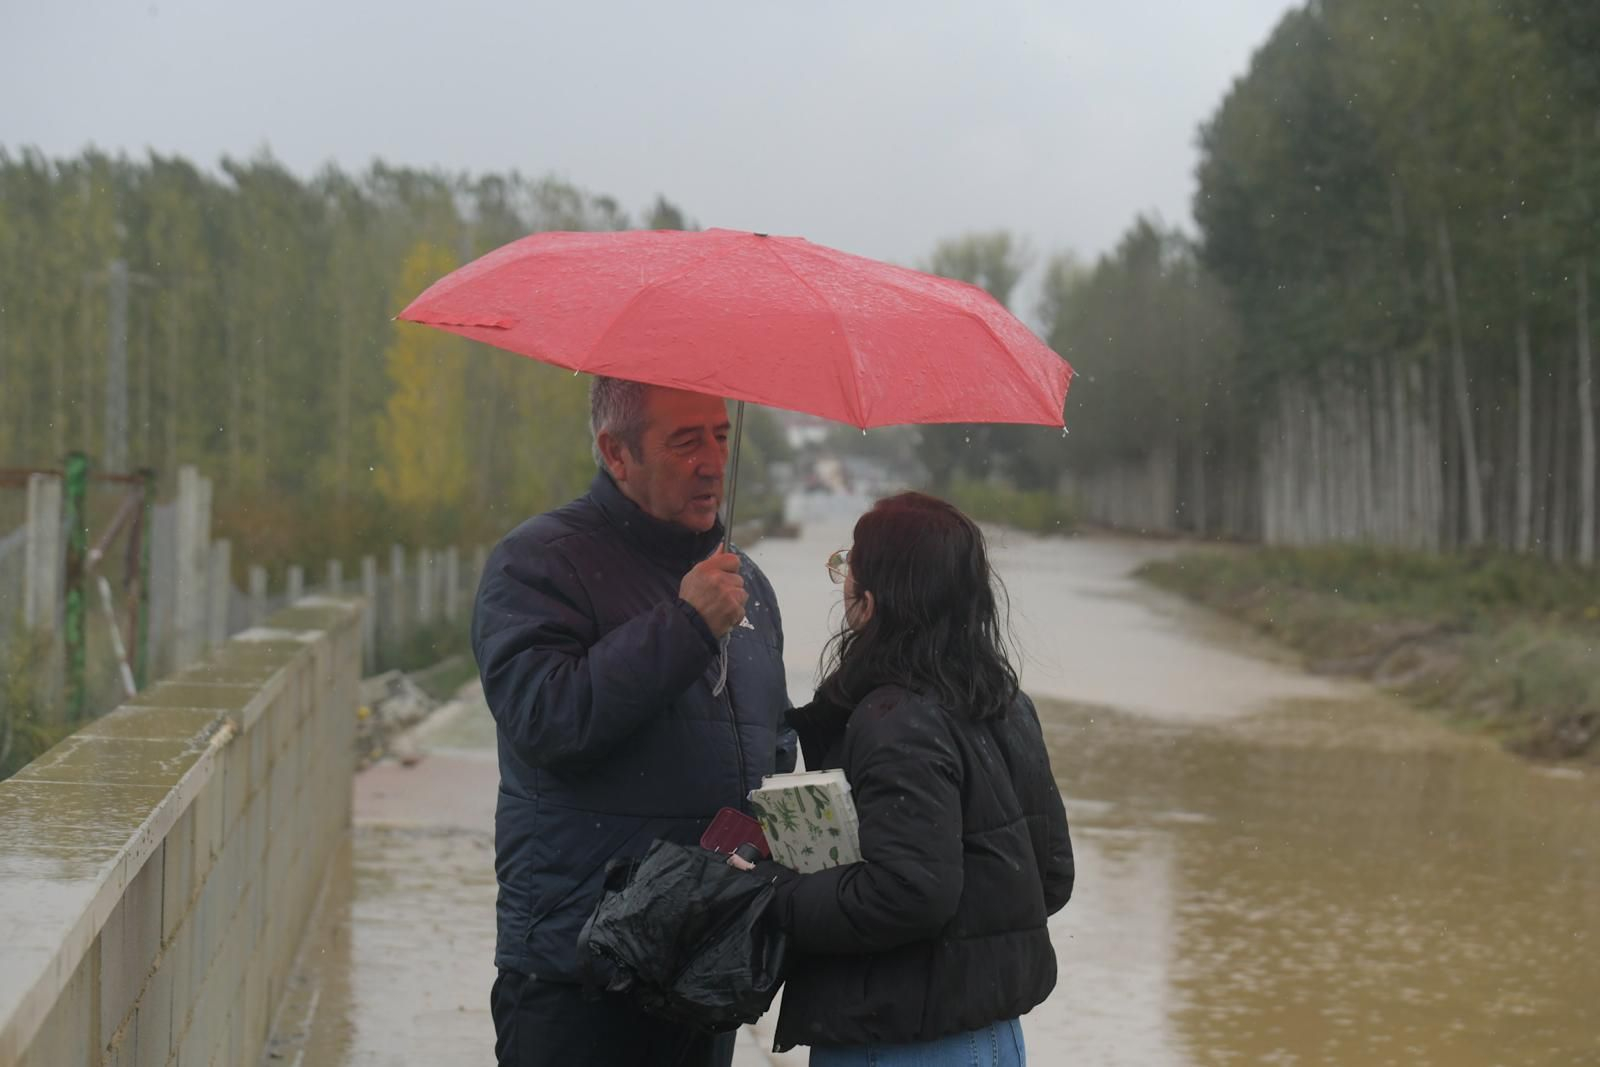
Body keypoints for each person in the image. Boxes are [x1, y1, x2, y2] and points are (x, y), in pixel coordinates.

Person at [473, 376, 795, 1067]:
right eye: (686, 442)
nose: (712, 461)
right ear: (615, 453)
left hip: (703, 974)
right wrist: (685, 625)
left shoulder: (750, 586)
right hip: (580, 979)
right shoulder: (537, 563)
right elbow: (547, 719)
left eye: (720, 435)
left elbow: (774, 746)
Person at [735, 492, 1073, 1066]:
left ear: (872, 601)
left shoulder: (895, 719)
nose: (843, 584)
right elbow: (1051, 876)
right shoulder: (1008, 704)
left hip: (896, 1044)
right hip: (994, 1040)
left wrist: (773, 890)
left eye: (851, 565)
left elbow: (908, 893)